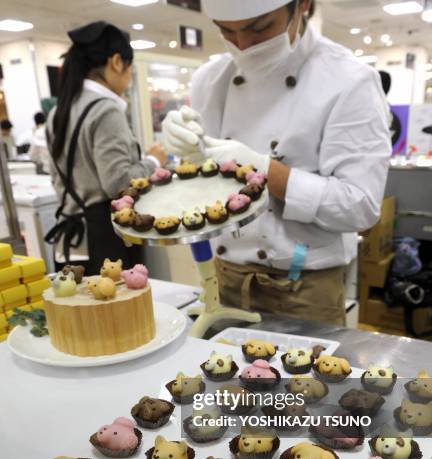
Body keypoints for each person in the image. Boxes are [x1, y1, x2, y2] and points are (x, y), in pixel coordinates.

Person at [162, 0, 391, 325]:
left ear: (302, 5)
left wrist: (266, 171)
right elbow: (204, 192)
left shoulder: (349, 80)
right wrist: (188, 152)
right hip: (224, 279)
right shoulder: (209, 80)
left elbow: (361, 207)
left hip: (304, 290)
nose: (242, 45)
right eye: (227, 31)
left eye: (259, 28)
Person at [46, 20, 166, 273]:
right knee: (120, 312)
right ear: (116, 62)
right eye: (130, 68)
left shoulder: (59, 111)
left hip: (69, 239)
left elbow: (56, 177)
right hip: (106, 242)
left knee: (80, 309)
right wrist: (153, 161)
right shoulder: (105, 109)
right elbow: (117, 182)